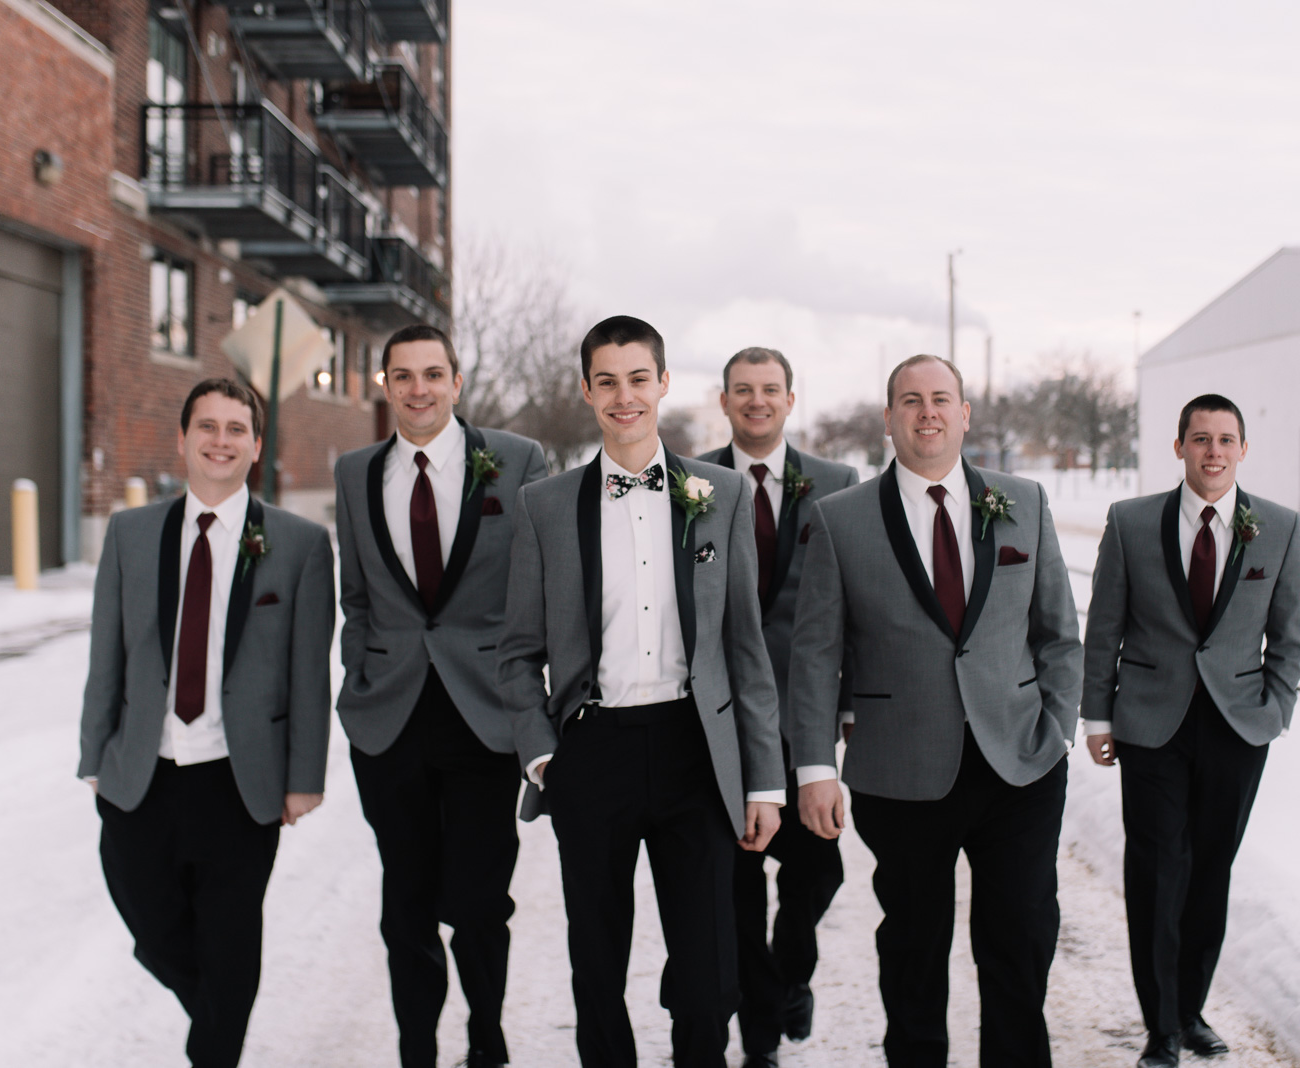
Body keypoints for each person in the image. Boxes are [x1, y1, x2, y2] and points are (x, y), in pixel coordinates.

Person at [497, 315, 785, 1068]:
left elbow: (746, 648)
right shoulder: (546, 506)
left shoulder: (719, 493)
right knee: (597, 967)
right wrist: (543, 758)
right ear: (587, 390)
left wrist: (765, 779)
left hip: (698, 751)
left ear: (661, 382)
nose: (623, 397)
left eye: (637, 379)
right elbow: (518, 652)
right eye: (606, 381)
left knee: (708, 977)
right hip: (593, 751)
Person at [790, 354, 1082, 1068]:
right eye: (911, 401)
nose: (928, 413)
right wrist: (813, 767)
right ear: (888, 418)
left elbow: (1059, 634)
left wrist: (1055, 730)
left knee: (1019, 942)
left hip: (1019, 767)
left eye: (941, 399)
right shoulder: (840, 520)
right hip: (901, 772)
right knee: (915, 951)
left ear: (965, 414)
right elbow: (814, 655)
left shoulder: (1025, 502)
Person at [78, 378, 335, 1068]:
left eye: (236, 429)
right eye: (208, 427)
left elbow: (309, 674)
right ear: (184, 439)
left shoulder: (301, 543)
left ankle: (214, 1048)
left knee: (230, 945)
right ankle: (218, 1014)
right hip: (141, 776)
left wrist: (304, 777)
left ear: (256, 446)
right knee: (155, 932)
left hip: (238, 782)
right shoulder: (131, 533)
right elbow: (107, 650)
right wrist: (94, 754)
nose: (221, 440)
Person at [334, 323, 548, 1068]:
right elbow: (356, 596)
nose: (418, 388)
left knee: (481, 902)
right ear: (384, 385)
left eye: (432, 374)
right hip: (388, 721)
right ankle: (415, 1051)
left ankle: (486, 1040)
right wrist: (357, 673)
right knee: (407, 904)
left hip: (483, 718)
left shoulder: (516, 460)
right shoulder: (355, 472)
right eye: (403, 375)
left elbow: (537, 589)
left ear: (457, 383)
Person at [1081, 394, 1300, 1068]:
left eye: (1225, 439)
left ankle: (1191, 1010)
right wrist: (1098, 713)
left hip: (1239, 728)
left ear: (1243, 449)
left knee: (1211, 870)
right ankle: (1161, 1029)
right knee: (1156, 871)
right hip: (1151, 723)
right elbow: (1104, 627)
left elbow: (1292, 632)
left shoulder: (1280, 527)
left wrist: (1275, 709)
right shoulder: (1130, 523)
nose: (1213, 451)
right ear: (1178, 447)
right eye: (1201, 439)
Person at [695, 346, 858, 1067]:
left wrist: (845, 707)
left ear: (791, 399)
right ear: (724, 400)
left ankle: (791, 974)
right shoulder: (688, 481)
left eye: (770, 389)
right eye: (743, 390)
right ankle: (759, 1038)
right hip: (719, 727)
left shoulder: (838, 485)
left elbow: (856, 606)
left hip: (803, 718)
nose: (756, 401)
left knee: (818, 872)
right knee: (734, 893)